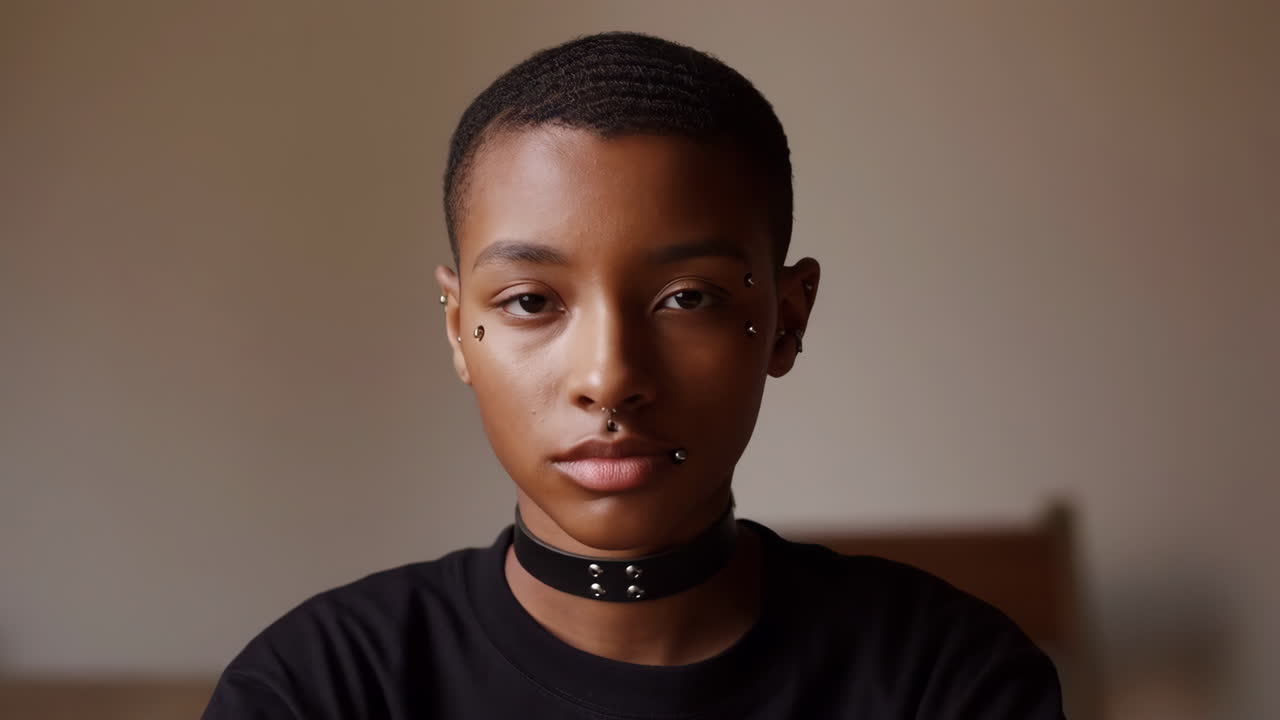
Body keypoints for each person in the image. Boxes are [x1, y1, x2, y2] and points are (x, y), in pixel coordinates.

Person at [202, 31, 1065, 719]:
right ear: (459, 329)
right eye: (533, 301)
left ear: (788, 318)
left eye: (688, 297)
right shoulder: (322, 688)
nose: (609, 379)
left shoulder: (946, 679)